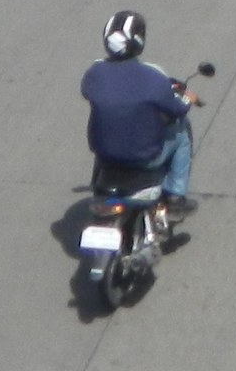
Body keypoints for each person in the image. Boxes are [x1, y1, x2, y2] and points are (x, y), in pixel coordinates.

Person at [81, 11, 196, 217]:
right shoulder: (154, 77)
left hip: (105, 155)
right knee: (181, 133)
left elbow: (90, 92)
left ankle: (97, 182)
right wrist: (189, 98)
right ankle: (176, 196)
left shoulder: (94, 74)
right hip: (145, 157)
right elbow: (177, 109)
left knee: (108, 131)